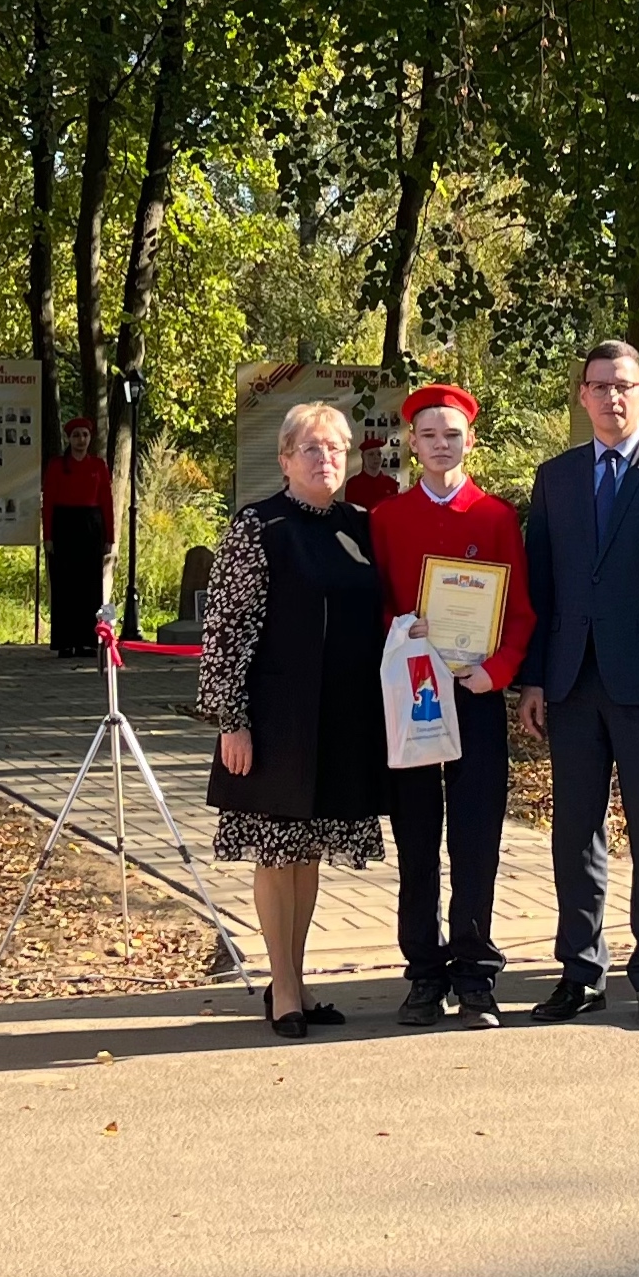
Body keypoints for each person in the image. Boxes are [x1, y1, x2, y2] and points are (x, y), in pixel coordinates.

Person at [516, 340, 639, 1030]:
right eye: (599, 386)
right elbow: (540, 585)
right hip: (571, 683)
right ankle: (580, 973)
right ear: (582, 395)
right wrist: (534, 679)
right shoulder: (556, 476)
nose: (611, 397)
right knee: (574, 834)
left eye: (623, 385)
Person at [199, 402, 391, 1038]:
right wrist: (231, 719)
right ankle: (280, 987)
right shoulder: (259, 526)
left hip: (340, 718)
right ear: (285, 459)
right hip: (274, 720)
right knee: (277, 852)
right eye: (311, 448)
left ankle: (299, 980)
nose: (325, 458)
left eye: (335, 448)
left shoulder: (361, 526)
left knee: (308, 854)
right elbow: (225, 632)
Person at [368, 384, 536, 1028]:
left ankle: (474, 972)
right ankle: (424, 972)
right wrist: (399, 629)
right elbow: (377, 602)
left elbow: (519, 610)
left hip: (474, 693)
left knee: (476, 835)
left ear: (471, 440)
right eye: (430, 435)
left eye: (453, 434)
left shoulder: (495, 517)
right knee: (416, 836)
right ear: (412, 443)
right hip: (414, 693)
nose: (442, 445)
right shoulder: (388, 517)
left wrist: (498, 672)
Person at [42, 415, 114, 658]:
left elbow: (106, 502)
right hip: (64, 526)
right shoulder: (56, 466)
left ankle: (87, 641)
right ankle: (65, 642)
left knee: (90, 586)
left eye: (84, 435)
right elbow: (48, 502)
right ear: (69, 439)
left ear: (90, 438)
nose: (81, 440)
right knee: (64, 585)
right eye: (76, 435)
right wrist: (48, 536)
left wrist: (110, 537)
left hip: (91, 527)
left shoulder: (98, 466)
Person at [344, 434, 401, 511]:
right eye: (371, 454)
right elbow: (349, 513)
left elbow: (394, 511)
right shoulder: (353, 484)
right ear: (363, 456)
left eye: (379, 454)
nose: (376, 458)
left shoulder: (391, 484)